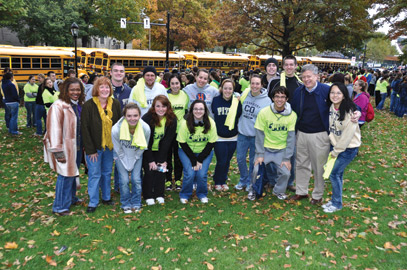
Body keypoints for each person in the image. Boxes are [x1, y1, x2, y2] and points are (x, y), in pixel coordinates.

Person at [290, 64, 360, 205]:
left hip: (320, 134)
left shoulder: (326, 91)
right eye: (303, 77)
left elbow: (345, 101)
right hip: (302, 133)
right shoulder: (299, 91)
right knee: (301, 164)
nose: (306, 79)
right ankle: (301, 191)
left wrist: (358, 111)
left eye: (309, 76)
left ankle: (317, 194)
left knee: (319, 166)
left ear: (317, 76)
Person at [43, 78, 85, 216]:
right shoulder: (58, 106)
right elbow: (53, 130)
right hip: (64, 147)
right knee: (65, 175)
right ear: (65, 90)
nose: (75, 92)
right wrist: (57, 151)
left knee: (73, 174)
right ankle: (60, 206)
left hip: (77, 146)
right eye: (72, 89)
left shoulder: (78, 104)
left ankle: (71, 198)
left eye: (78, 89)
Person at [81, 76, 121, 213]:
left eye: (107, 87)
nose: (104, 89)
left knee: (106, 172)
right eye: (101, 87)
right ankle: (93, 201)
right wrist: (90, 150)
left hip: (110, 147)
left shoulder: (115, 104)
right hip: (94, 148)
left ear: (110, 89)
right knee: (94, 174)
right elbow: (85, 129)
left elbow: (119, 125)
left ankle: (106, 197)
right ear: (96, 89)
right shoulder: (88, 105)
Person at [323, 83, 361, 213]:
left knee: (334, 174)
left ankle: (337, 203)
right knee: (338, 174)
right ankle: (335, 200)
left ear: (344, 95)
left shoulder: (349, 111)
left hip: (348, 148)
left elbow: (347, 136)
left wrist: (335, 151)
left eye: (338, 93)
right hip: (336, 145)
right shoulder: (331, 107)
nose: (335, 95)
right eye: (332, 92)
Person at [267, 55, 302, 192]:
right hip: (275, 124)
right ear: (283, 66)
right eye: (286, 64)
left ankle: (289, 181)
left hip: (293, 125)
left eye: (291, 65)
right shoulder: (275, 81)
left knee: (291, 154)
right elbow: (268, 101)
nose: (288, 67)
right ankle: (272, 180)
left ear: (295, 66)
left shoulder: (300, 84)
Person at [254, 86, 297, 199]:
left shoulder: (292, 115)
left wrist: (287, 158)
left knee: (286, 173)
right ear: (272, 98)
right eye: (277, 96)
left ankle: (278, 191)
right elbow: (259, 135)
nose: (279, 99)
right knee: (256, 169)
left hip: (281, 150)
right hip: (266, 149)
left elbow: (291, 138)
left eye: (283, 97)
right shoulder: (263, 112)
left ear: (287, 99)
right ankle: (254, 190)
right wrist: (260, 154)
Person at [111, 103, 150, 213]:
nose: (132, 119)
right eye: (129, 116)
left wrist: (135, 159)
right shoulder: (116, 129)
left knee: (136, 179)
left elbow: (143, 146)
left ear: (139, 115)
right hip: (121, 155)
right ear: (124, 116)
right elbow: (118, 149)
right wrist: (127, 163)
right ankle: (126, 203)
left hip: (136, 154)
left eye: (135, 115)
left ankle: (136, 202)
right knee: (123, 180)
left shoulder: (145, 128)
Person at [235, 74, 272, 191]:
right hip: (242, 134)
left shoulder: (267, 101)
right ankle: (243, 180)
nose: (254, 86)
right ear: (250, 84)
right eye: (253, 83)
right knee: (240, 159)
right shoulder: (244, 94)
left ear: (262, 85)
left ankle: (251, 182)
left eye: (257, 83)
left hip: (256, 136)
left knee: (252, 161)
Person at [177, 100, 217, 204]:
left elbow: (211, 143)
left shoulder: (211, 122)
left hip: (204, 151)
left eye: (201, 109)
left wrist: (199, 159)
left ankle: (202, 194)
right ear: (191, 110)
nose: (198, 111)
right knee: (189, 173)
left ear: (205, 111)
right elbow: (182, 142)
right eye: (195, 109)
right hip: (186, 150)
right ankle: (185, 194)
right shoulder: (184, 123)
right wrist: (194, 160)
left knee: (201, 174)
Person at [142, 95, 177, 205]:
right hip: (147, 149)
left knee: (162, 170)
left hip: (162, 150)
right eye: (158, 106)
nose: (161, 109)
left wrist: (162, 160)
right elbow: (145, 142)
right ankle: (148, 195)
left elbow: (167, 141)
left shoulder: (172, 119)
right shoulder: (147, 119)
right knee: (150, 171)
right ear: (153, 107)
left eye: (164, 106)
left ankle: (159, 194)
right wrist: (151, 160)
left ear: (168, 107)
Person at [211, 79, 242, 191]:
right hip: (219, 137)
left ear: (233, 90)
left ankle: (223, 180)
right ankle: (217, 181)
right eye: (225, 88)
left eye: (230, 88)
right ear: (222, 89)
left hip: (233, 137)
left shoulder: (237, 101)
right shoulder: (215, 100)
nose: (227, 91)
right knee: (221, 160)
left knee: (227, 161)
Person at [166, 75, 189, 190]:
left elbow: (187, 111)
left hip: (180, 132)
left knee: (179, 157)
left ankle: (179, 179)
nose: (175, 86)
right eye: (172, 83)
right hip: (168, 131)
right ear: (169, 85)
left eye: (177, 83)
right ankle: (168, 180)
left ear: (180, 84)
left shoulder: (185, 95)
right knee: (167, 156)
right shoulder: (166, 96)